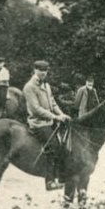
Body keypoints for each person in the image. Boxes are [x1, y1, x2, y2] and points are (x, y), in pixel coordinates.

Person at [23, 60, 70, 191]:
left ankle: (62, 177)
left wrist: (62, 114)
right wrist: (55, 117)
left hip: (49, 121)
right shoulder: (29, 87)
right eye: (41, 70)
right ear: (35, 70)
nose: (44, 73)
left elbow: (53, 103)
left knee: (65, 142)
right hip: (38, 123)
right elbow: (36, 109)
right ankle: (49, 181)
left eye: (45, 70)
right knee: (53, 146)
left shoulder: (46, 85)